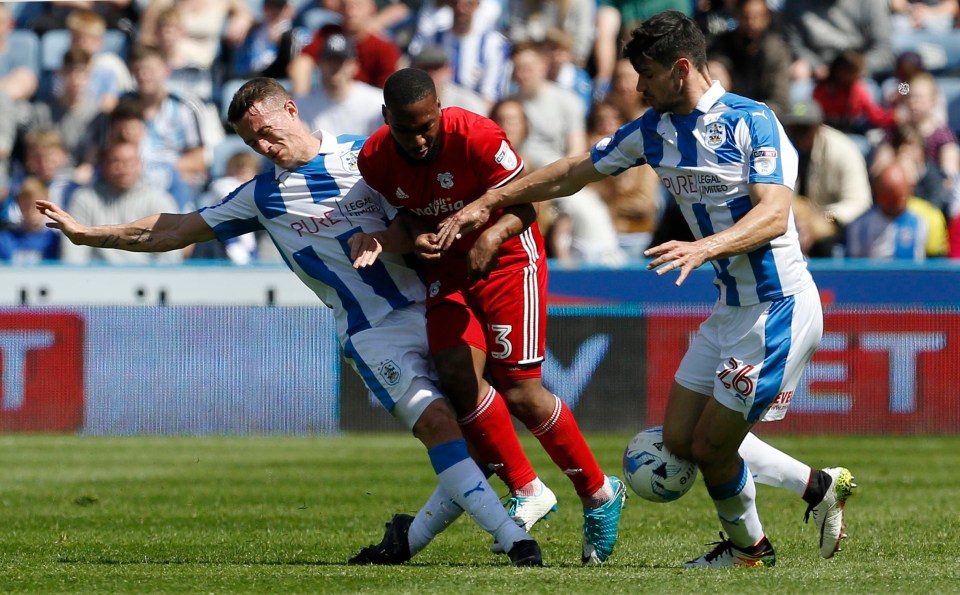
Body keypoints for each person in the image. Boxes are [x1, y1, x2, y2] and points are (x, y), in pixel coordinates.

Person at [38, 77, 543, 568]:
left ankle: (409, 538)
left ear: (292, 111)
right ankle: (514, 539)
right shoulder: (261, 197)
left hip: (433, 304)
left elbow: (426, 208)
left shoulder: (367, 157)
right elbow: (172, 227)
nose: (263, 144)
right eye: (250, 140)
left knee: (482, 435)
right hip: (372, 334)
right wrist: (91, 234)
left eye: (266, 130)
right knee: (437, 425)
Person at [437, 11, 856, 567]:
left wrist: (704, 247)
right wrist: (491, 200)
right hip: (732, 307)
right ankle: (819, 486)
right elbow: (575, 170)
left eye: (648, 74)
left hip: (777, 309)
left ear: (682, 69)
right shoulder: (653, 130)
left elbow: (776, 215)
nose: (637, 86)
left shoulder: (752, 122)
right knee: (682, 439)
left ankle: (750, 550)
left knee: (711, 447)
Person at [354, 68, 627, 565]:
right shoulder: (373, 159)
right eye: (404, 129)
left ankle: (599, 493)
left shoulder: (478, 135)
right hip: (448, 271)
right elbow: (409, 215)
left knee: (520, 389)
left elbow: (528, 205)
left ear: (439, 110)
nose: (417, 140)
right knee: (457, 377)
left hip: (507, 261)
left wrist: (490, 236)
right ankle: (526, 486)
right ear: (385, 118)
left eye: (426, 127)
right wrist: (409, 238)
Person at [59, 140, 184, 265]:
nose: (123, 168)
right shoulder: (84, 199)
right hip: (97, 279)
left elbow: (170, 255)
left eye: (130, 162)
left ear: (140, 165)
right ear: (103, 164)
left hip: (146, 281)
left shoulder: (160, 201)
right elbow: (74, 256)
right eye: (116, 162)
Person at [295, 32, 384, 136]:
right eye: (330, 61)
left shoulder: (376, 102)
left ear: (354, 66)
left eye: (340, 61)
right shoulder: (303, 105)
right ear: (319, 64)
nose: (335, 67)